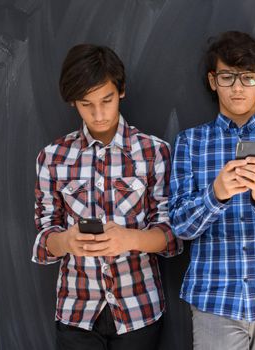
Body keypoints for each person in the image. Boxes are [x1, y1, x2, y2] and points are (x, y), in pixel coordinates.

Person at [31, 44, 182, 350]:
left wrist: (131, 240)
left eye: (107, 100)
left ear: (121, 91)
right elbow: (44, 237)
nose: (98, 114)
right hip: (76, 311)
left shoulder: (154, 152)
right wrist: (66, 241)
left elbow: (172, 236)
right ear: (73, 102)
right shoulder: (52, 157)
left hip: (139, 309)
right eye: (87, 104)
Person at [169, 31, 255, 350]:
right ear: (212, 80)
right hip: (214, 298)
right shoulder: (191, 143)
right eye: (227, 77)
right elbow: (179, 226)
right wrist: (215, 195)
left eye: (246, 78)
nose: (236, 87)